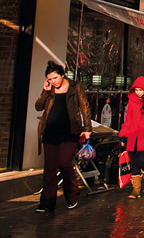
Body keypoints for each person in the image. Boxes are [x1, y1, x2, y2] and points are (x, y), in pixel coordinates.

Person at [34, 61, 91, 213]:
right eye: (50, 79)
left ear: (62, 75)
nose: (53, 82)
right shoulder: (49, 90)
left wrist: (87, 128)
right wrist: (45, 91)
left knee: (64, 162)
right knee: (49, 168)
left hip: (69, 131)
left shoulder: (75, 86)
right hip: (50, 132)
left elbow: (84, 106)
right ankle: (47, 202)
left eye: (55, 78)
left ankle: (72, 194)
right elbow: (38, 106)